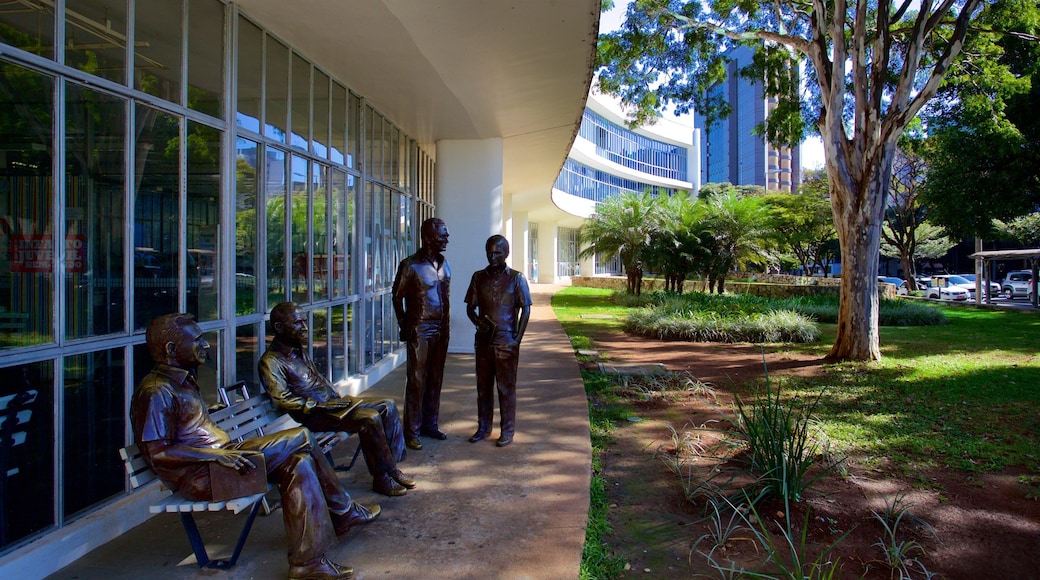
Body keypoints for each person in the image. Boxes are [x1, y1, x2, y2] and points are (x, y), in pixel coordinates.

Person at [131, 313, 378, 580]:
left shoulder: (182, 382)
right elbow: (158, 453)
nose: (206, 345)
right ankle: (343, 511)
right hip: (206, 475)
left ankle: (307, 563)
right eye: (198, 340)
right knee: (302, 437)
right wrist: (214, 455)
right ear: (170, 349)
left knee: (299, 463)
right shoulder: (156, 391)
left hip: (225, 461)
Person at [260, 302, 415, 497]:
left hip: (335, 406)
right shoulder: (271, 362)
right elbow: (281, 399)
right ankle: (381, 479)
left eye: (304, 322)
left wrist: (334, 398)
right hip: (316, 415)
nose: (305, 328)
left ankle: (392, 468)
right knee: (369, 418)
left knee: (387, 405)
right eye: (298, 323)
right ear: (279, 328)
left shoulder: (298, 350)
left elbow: (317, 379)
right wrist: (319, 405)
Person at [464, 235, 532, 447]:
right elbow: (470, 307)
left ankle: (507, 430)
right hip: (484, 342)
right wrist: (477, 321)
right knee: (483, 387)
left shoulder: (516, 278)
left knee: (506, 388)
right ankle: (483, 427)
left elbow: (526, 308)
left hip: (506, 341)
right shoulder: (478, 277)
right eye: (489, 252)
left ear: (506, 253)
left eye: (497, 253)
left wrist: (517, 339)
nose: (492, 256)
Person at [392, 217, 451, 450]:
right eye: (442, 235)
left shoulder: (445, 264)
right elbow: (397, 297)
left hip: (442, 328)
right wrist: (404, 325)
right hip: (420, 328)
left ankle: (430, 424)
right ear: (428, 237)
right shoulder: (410, 265)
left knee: (436, 378)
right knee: (416, 380)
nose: (447, 238)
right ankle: (412, 430)